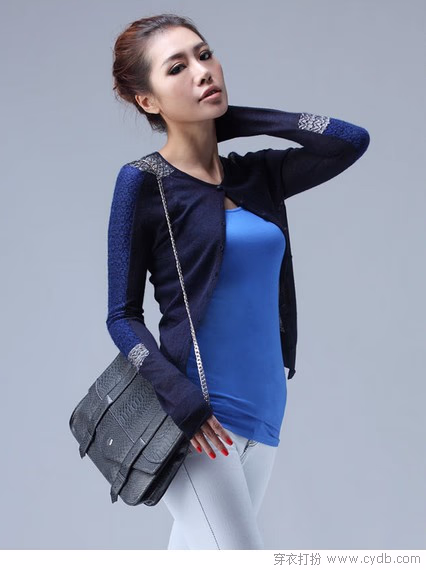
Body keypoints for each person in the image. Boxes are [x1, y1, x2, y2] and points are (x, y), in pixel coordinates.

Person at [109, 13, 370, 549]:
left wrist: (233, 120)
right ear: (147, 100)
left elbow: (349, 141)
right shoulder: (144, 183)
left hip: (266, 409)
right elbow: (122, 317)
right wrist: (181, 400)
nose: (202, 71)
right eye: (177, 68)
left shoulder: (257, 175)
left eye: (204, 55)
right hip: (199, 419)